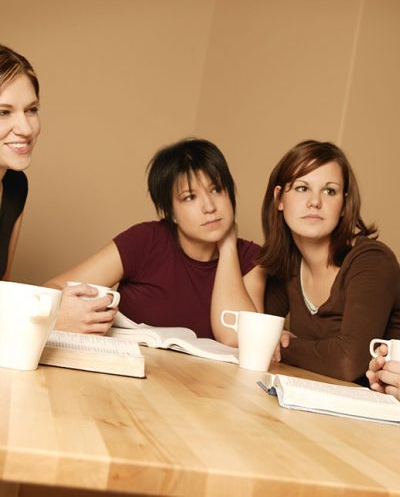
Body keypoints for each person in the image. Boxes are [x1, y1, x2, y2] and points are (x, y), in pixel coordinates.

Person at [46, 138, 265, 345]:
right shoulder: (145, 240)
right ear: (171, 212)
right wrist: (65, 316)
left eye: (216, 189)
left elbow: (237, 339)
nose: (209, 207)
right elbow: (51, 289)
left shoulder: (251, 259)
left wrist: (228, 247)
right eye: (190, 197)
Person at [258, 140, 400, 382]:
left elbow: (349, 363)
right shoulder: (289, 264)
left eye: (329, 191)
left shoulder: (372, 261)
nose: (315, 201)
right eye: (302, 188)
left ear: (344, 205)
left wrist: (285, 346)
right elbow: (254, 332)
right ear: (279, 198)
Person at [0, 44, 41, 280]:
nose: (26, 129)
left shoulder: (15, 185)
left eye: (31, 110)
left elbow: (3, 290)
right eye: (3, 112)